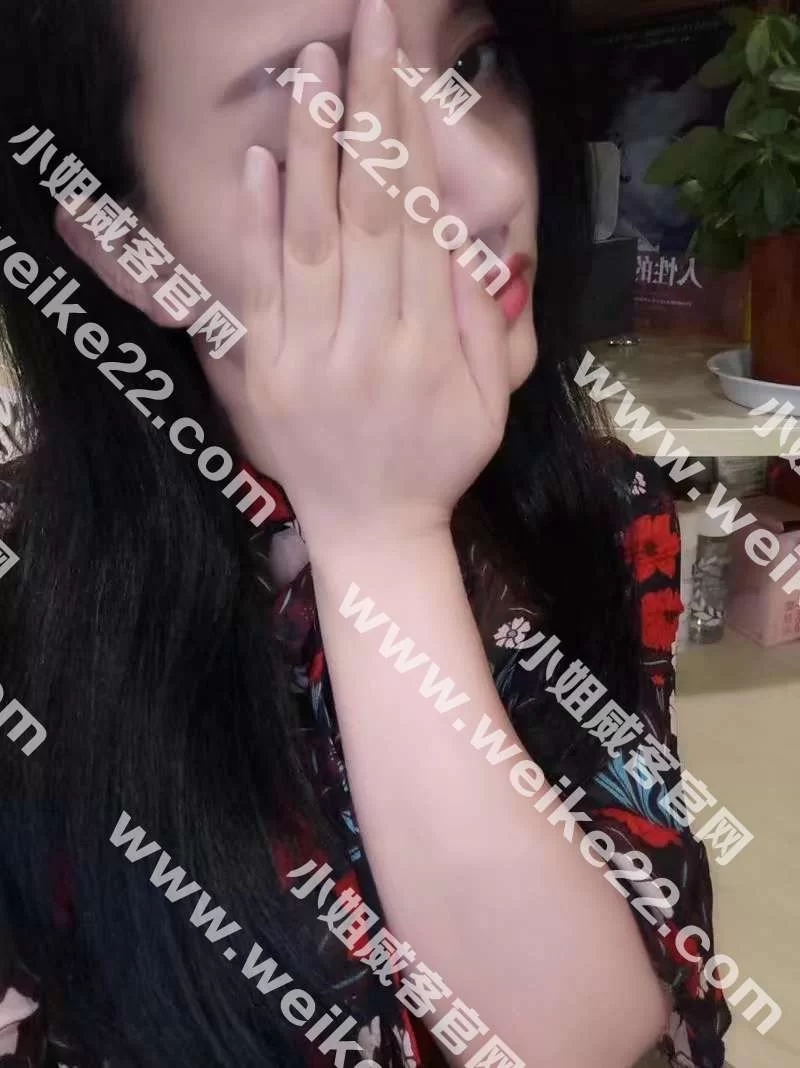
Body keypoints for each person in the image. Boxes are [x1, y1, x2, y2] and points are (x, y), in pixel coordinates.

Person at [0, 0, 731, 1065]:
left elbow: (599, 1038)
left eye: (472, 63)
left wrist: (381, 536)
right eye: (334, 122)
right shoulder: (28, 593)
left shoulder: (591, 511)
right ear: (128, 246)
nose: (493, 184)